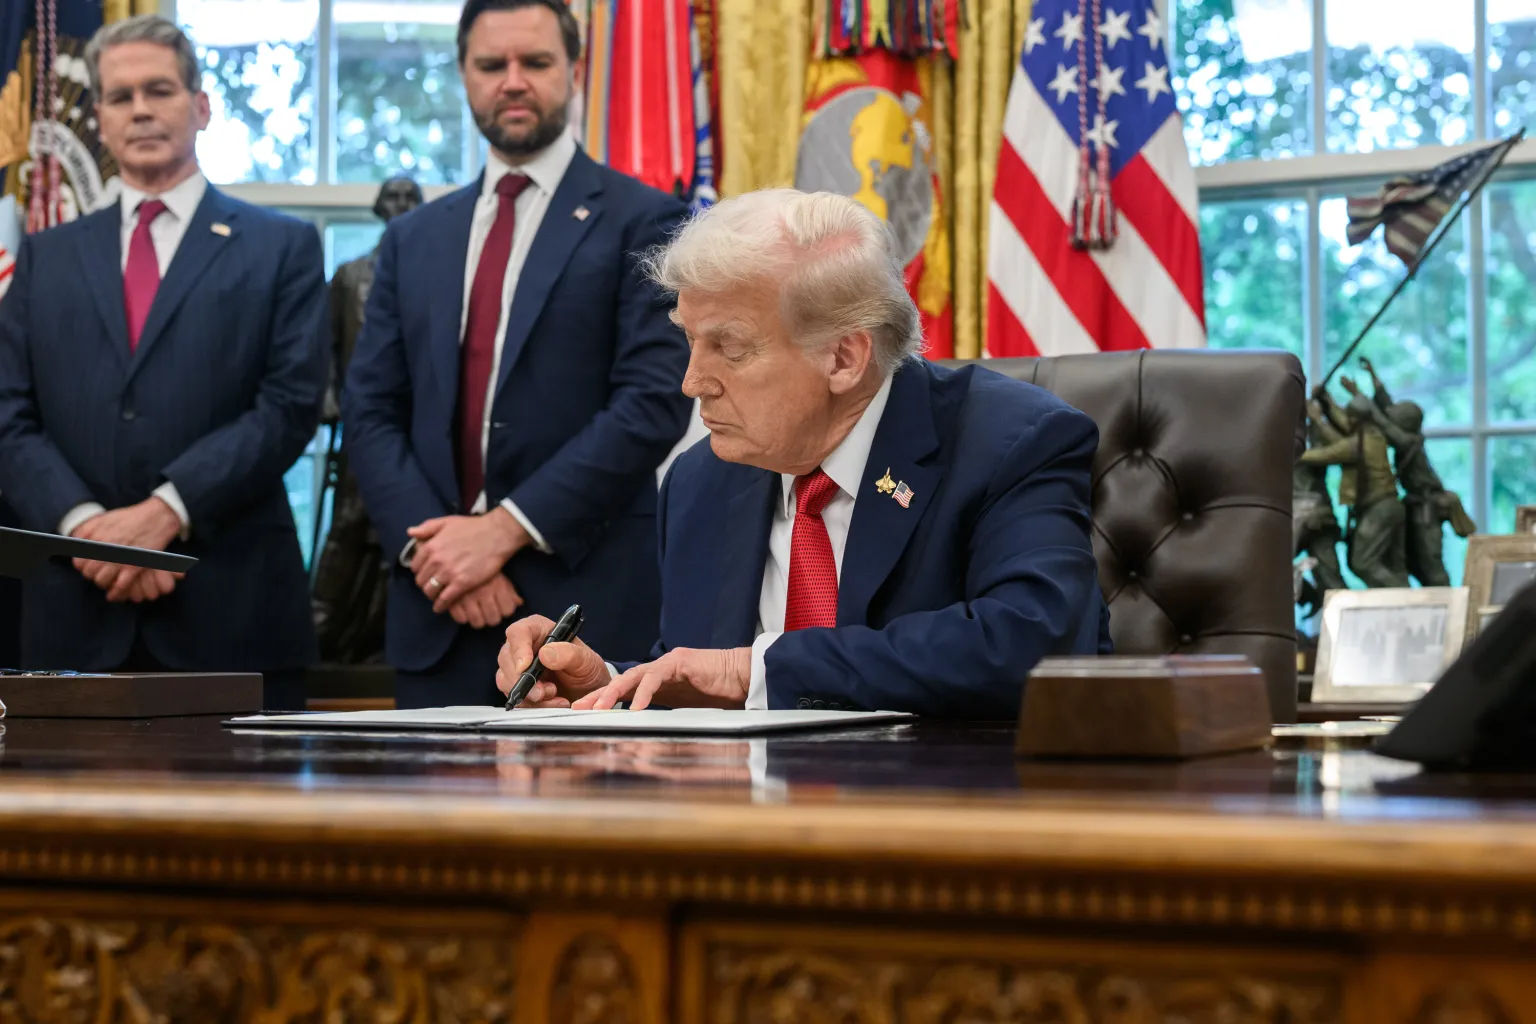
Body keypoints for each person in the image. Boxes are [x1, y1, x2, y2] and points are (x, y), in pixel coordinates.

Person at [494, 188, 1110, 719]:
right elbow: (708, 676)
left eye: (730, 348)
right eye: (690, 340)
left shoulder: (1010, 442)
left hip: (950, 808)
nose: (692, 381)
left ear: (843, 358)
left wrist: (761, 666)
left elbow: (1035, 645)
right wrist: (606, 684)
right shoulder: (700, 480)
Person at [343, 0, 692, 708]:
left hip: (585, 616)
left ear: (575, 71)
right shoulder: (412, 240)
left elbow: (652, 401)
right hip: (436, 608)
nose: (512, 81)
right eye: (490, 64)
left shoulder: (647, 219)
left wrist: (501, 532)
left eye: (534, 62)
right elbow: (370, 409)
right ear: (463, 74)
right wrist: (440, 556)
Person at [0, 15, 327, 709]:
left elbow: (288, 406)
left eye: (159, 90)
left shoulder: (282, 247)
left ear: (201, 106)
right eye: (120, 97)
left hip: (231, 613)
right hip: (71, 616)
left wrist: (166, 512)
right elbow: (8, 415)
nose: (141, 109)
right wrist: (87, 529)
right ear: (99, 119)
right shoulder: (46, 256)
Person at [311, 176, 424, 666]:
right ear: (379, 207)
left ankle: (383, 631)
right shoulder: (349, 274)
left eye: (409, 197)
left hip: (415, 428)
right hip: (360, 423)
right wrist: (329, 400)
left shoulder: (430, 275)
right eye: (392, 197)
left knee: (403, 527)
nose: (400, 205)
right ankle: (323, 626)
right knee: (351, 522)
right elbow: (326, 345)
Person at [1344, 357, 1475, 588]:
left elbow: (1383, 421)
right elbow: (1386, 408)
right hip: (1415, 506)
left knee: (1430, 562)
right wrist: (1372, 377)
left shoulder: (1408, 442)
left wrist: (1360, 398)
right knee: (1413, 562)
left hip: (1427, 508)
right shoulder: (1408, 436)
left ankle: (1447, 602)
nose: (1391, 415)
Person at [1302, 383, 1409, 589]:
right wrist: (1329, 401)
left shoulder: (1355, 444)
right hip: (1389, 506)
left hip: (1379, 509)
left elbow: (1329, 452)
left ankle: (1403, 597)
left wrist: (1317, 420)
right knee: (1394, 564)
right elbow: (1343, 435)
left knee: (1362, 563)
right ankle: (1404, 599)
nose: (1346, 420)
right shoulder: (1374, 434)